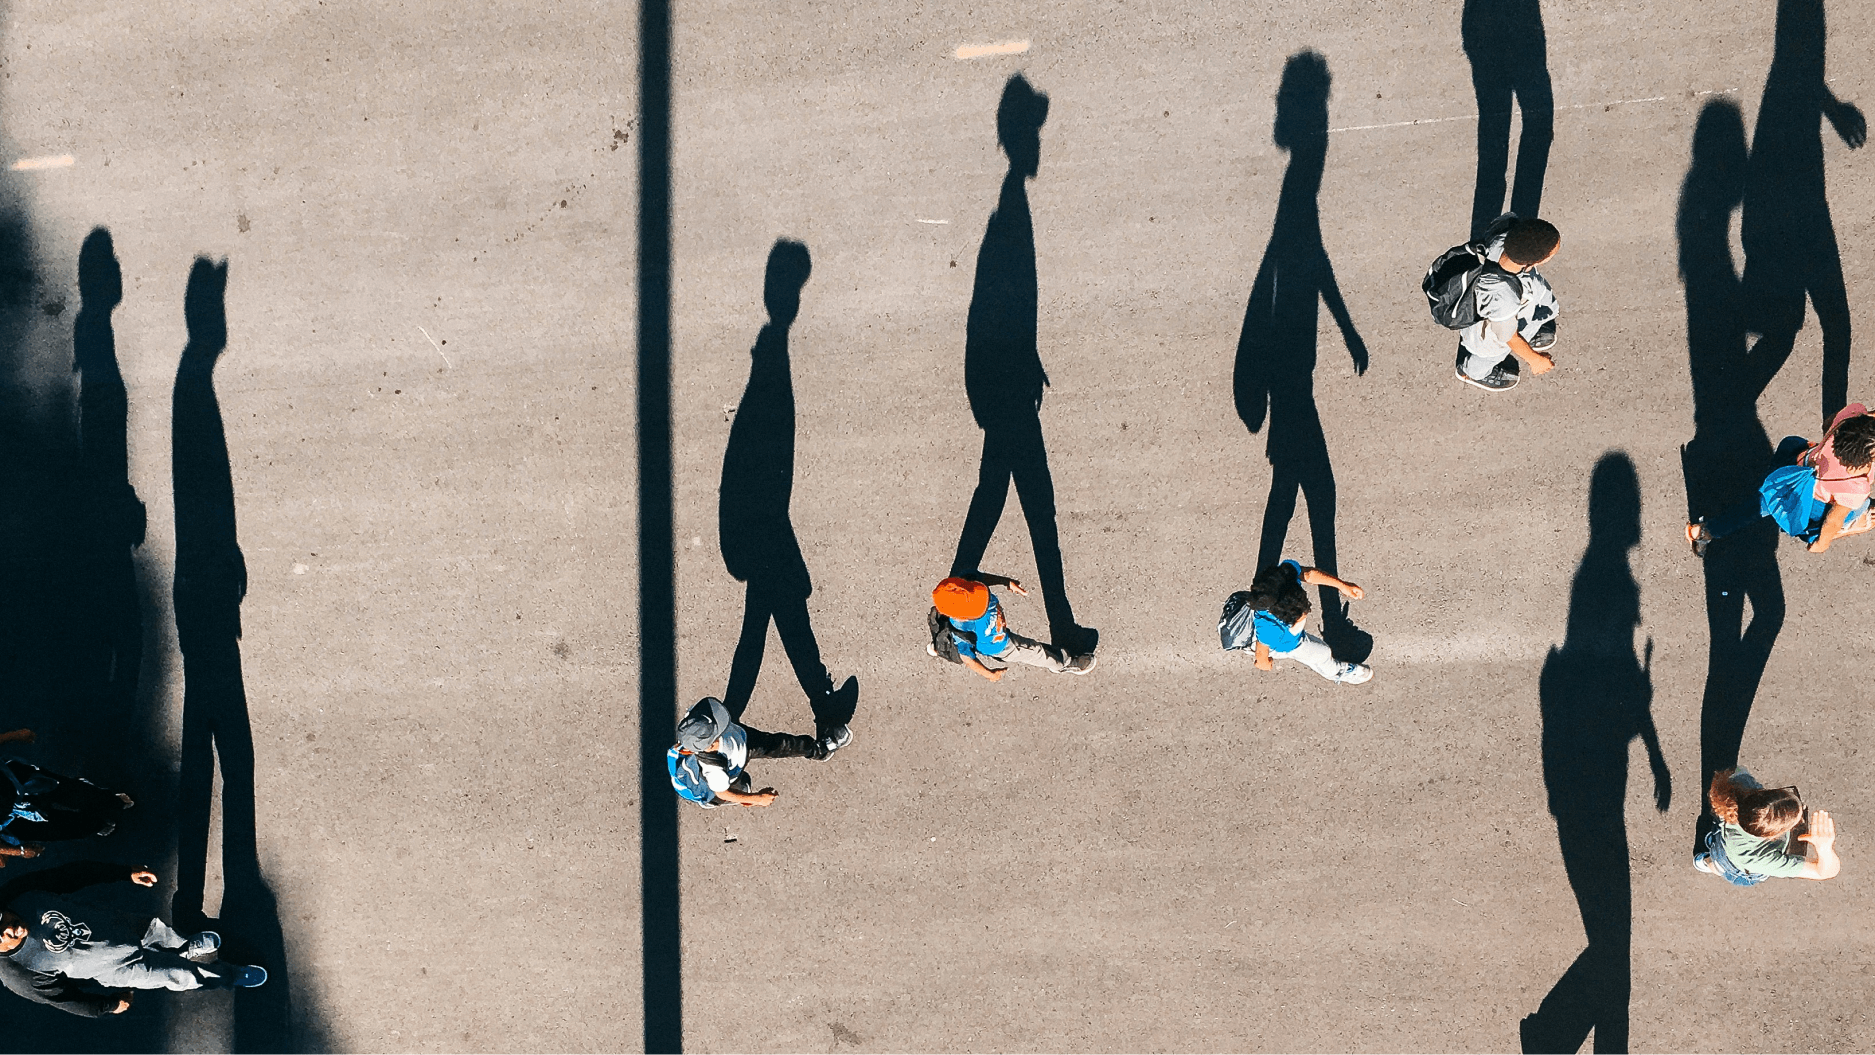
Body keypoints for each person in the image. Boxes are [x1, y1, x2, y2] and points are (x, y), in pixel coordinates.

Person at [1, 861, 266, 1016]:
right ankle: (229, 976)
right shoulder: (16, 973)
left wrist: (124, 872)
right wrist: (108, 1005)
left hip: (119, 925)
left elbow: (70, 875)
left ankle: (185, 945)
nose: (10, 929)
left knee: (162, 933)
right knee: (182, 975)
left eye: (3, 919)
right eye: (0, 936)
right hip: (122, 970)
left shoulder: (18, 892)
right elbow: (64, 999)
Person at [1687, 402, 1875, 555]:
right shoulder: (1856, 486)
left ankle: (1702, 532)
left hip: (1798, 462)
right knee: (1858, 508)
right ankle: (1706, 531)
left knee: (1763, 499)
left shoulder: (1852, 415)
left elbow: (1827, 423)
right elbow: (1834, 520)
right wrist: (1822, 544)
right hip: (1803, 495)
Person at [666, 697, 848, 810]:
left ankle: (819, 750)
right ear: (709, 744)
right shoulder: (714, 770)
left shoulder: (695, 720)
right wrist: (757, 799)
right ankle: (713, 801)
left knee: (780, 743)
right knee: (739, 788)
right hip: (737, 758)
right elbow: (722, 792)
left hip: (743, 737)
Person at [1454, 213, 1562, 392]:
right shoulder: (1502, 297)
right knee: (1491, 355)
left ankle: (1530, 331)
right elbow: (1508, 336)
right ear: (1534, 262)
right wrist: (1535, 360)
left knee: (1537, 314)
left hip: (1520, 306)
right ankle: (1472, 372)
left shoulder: (1504, 237)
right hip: (1492, 336)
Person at [1, 730, 134, 865]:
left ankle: (108, 800)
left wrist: (14, 735)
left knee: (68, 790)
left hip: (15, 781)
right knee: (57, 829)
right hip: (8, 820)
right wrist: (19, 851)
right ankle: (94, 825)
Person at [931, 575, 1095, 681]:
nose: (984, 599)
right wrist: (989, 674)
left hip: (995, 634)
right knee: (1035, 651)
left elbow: (978, 578)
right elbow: (966, 656)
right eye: (977, 606)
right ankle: (1063, 663)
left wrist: (1005, 582)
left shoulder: (967, 587)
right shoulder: (961, 627)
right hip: (1001, 646)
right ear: (962, 617)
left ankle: (938, 647)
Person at [1694, 768, 1839, 884]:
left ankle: (1709, 858)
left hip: (1728, 839)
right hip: (1735, 864)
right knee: (1722, 867)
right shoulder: (1763, 861)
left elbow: (1738, 771)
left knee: (1718, 853)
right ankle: (1708, 863)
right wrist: (1824, 847)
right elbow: (1824, 872)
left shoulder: (1739, 788)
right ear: (1773, 835)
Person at [1244, 560, 1372, 684]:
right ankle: (1338, 672)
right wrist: (1267, 664)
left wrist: (1342, 585)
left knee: (1318, 654)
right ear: (1283, 616)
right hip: (1289, 645)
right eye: (1299, 614)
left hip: (1285, 635)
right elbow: (1261, 659)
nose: (1305, 612)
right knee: (1322, 654)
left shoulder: (1287, 574)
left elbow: (1309, 574)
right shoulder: (1269, 629)